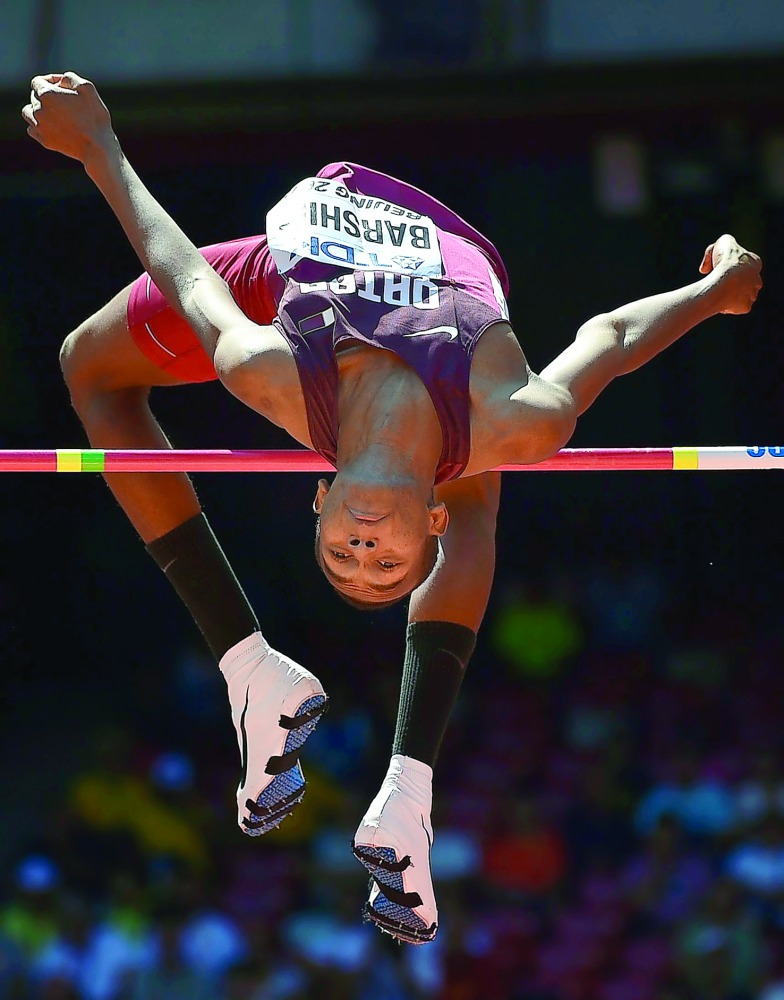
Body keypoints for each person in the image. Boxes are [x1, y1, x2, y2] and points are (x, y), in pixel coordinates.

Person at [21, 72, 762, 945]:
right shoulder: (516, 420)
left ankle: (251, 668)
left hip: (295, 271)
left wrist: (97, 142)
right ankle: (409, 788)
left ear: (319, 498)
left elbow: (182, 271)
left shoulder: (268, 374)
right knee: (481, 469)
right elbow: (613, 337)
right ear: (427, 531)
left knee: (88, 367)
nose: (366, 548)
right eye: (384, 562)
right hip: (453, 256)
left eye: (345, 556)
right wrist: (715, 292)